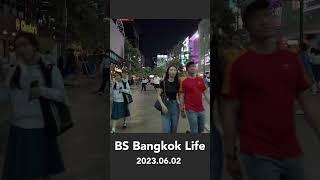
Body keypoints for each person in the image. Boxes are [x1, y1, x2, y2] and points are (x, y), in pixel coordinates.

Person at [222, 1, 320, 180]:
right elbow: (229, 111)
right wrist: (230, 155)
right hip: (258, 156)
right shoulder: (238, 64)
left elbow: (309, 103)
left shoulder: (291, 60)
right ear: (247, 25)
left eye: (268, 16)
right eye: (257, 18)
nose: (264, 21)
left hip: (292, 153)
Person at [0, 32, 66, 180]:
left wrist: (41, 91)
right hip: (18, 128)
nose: (21, 49)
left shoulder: (49, 69)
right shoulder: (14, 70)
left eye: (25, 45)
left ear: (34, 46)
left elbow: (61, 95)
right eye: (17, 46)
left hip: (40, 128)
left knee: (40, 172)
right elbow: (5, 96)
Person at [180, 62, 210, 133]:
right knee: (194, 130)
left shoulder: (200, 80)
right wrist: (182, 109)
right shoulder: (184, 82)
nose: (193, 68)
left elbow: (205, 93)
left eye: (194, 66)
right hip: (190, 110)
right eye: (191, 67)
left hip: (201, 109)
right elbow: (182, 96)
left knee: (201, 129)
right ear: (187, 69)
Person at [156, 66, 181, 133]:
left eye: (175, 70)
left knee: (174, 129)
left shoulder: (178, 83)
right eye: (171, 70)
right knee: (166, 130)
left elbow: (178, 94)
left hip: (175, 107)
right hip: (165, 106)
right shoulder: (163, 82)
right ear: (168, 72)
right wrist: (162, 106)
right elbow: (158, 95)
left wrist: (179, 102)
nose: (173, 71)